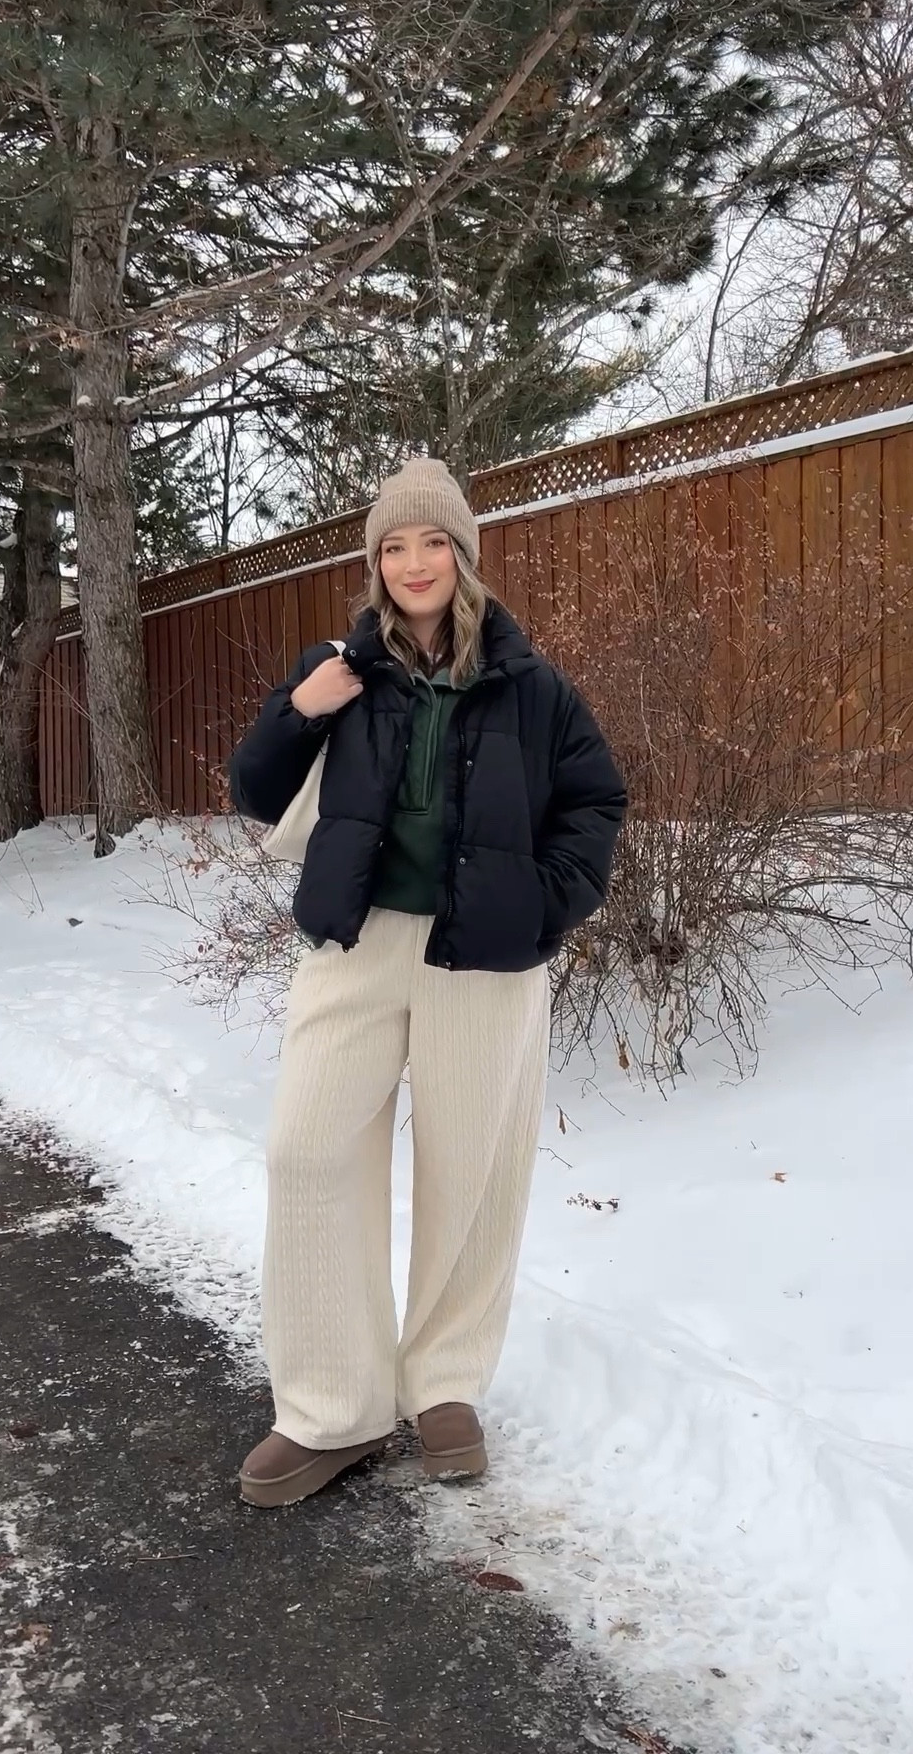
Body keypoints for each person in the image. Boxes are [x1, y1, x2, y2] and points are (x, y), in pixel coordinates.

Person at [228, 457, 627, 1508]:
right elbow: (253, 790)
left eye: (432, 541)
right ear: (375, 564)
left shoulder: (530, 684)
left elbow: (597, 800)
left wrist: (544, 903)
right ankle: (330, 1407)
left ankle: (444, 1383)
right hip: (356, 947)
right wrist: (298, 710)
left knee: (472, 1169)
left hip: (481, 957)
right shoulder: (345, 670)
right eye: (393, 546)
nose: (413, 562)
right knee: (307, 1153)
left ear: (464, 555)